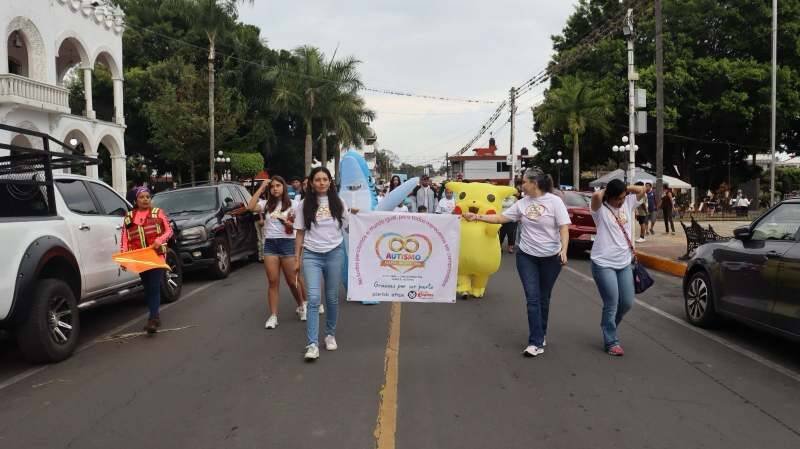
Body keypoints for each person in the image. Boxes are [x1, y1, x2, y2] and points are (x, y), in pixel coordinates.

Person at [464, 168, 571, 357]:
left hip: (551, 258)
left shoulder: (555, 202)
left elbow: (564, 228)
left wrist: (564, 249)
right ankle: (535, 342)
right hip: (527, 256)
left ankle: (541, 333)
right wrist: (477, 216)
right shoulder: (522, 203)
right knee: (532, 298)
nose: (521, 185)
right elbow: (501, 217)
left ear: (534, 183)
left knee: (543, 297)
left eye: (524, 182)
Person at [294, 167, 351, 361]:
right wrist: (296, 258)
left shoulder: (339, 202)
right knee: (313, 298)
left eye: (325, 179)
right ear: (311, 183)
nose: (321, 183)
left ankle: (330, 334)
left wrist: (363, 218)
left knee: (332, 297)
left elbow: (349, 227)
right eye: (317, 179)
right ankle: (312, 344)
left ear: (330, 182)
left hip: (335, 253)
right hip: (312, 255)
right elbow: (299, 232)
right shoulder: (304, 204)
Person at [589, 179, 646, 356]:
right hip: (603, 263)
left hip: (624, 262)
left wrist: (624, 188)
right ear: (609, 196)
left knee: (627, 302)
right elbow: (596, 195)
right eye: (618, 198)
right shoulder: (599, 209)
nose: (621, 201)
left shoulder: (628, 202)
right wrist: (609, 190)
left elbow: (642, 189)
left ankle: (609, 325)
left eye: (623, 197)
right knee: (612, 302)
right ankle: (611, 341)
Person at [248, 176, 308, 329]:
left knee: (292, 281)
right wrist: (261, 188)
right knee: (273, 281)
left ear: (284, 187)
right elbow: (250, 207)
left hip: (288, 243)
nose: (275, 188)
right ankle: (273, 316)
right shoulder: (266, 204)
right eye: (272, 186)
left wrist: (289, 224)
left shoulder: (294, 204)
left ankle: (302, 305)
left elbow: (301, 225)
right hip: (271, 245)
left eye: (278, 185)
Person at [120, 186, 173, 334]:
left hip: (156, 256)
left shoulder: (158, 213)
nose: (145, 200)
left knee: (154, 286)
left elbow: (169, 231)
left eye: (147, 197)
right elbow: (125, 238)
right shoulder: (129, 217)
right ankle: (154, 316)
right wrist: (123, 257)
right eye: (141, 197)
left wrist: (159, 240)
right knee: (148, 287)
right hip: (140, 258)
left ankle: (153, 318)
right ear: (136, 201)